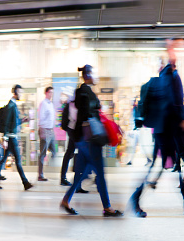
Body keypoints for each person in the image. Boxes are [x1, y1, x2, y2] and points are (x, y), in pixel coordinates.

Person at [129, 38, 184, 217]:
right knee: (159, 166)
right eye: (177, 48)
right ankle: (136, 198)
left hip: (168, 129)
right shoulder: (169, 75)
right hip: (168, 129)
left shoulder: (170, 74)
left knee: (172, 165)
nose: (180, 50)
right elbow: (171, 102)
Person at [60, 64, 123, 217]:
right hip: (90, 139)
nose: (97, 77)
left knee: (80, 174)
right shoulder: (84, 92)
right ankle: (107, 207)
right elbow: (85, 115)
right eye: (94, 74)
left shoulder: (83, 92)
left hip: (84, 140)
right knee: (100, 173)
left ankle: (66, 200)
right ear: (88, 75)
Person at [0, 84, 33, 190]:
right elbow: (7, 123)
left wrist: (22, 121)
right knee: (18, 160)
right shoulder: (11, 106)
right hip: (11, 138)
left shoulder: (13, 105)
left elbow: (12, 122)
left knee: (4, 159)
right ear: (15, 92)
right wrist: (5, 138)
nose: (21, 94)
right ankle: (25, 182)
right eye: (20, 92)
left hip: (11, 137)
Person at [37, 86, 57, 181]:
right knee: (43, 153)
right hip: (44, 130)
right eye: (50, 92)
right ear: (46, 93)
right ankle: (40, 175)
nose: (51, 94)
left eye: (52, 93)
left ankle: (50, 168)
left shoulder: (51, 104)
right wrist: (42, 132)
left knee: (54, 150)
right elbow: (41, 118)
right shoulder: (43, 104)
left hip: (51, 130)